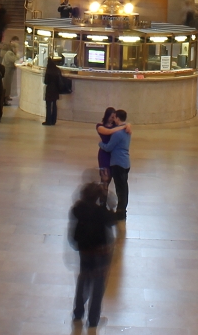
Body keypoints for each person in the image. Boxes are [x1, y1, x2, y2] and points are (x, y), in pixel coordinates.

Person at [69, 181, 117, 329]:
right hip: (101, 253)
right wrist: (107, 202)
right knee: (98, 286)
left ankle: (78, 313)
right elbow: (114, 218)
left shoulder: (77, 209)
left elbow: (73, 235)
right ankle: (93, 320)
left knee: (83, 280)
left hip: (84, 251)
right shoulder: (101, 213)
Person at [99, 109, 131, 220]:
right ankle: (122, 210)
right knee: (124, 188)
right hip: (126, 163)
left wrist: (101, 144)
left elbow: (108, 147)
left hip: (118, 163)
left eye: (115, 117)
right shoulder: (127, 130)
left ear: (117, 118)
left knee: (120, 190)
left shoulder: (117, 133)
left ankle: (121, 212)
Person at [43, 56, 63, 126]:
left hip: (49, 90)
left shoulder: (48, 71)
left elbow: (45, 81)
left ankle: (48, 121)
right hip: (56, 89)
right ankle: (53, 120)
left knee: (48, 105)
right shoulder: (57, 70)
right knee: (54, 105)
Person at [0, 37, 19, 105]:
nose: (17, 50)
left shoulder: (11, 53)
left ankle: (6, 97)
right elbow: (15, 59)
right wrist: (17, 55)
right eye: (16, 48)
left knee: (8, 85)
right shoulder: (9, 53)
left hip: (9, 72)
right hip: (6, 72)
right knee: (6, 86)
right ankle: (4, 100)